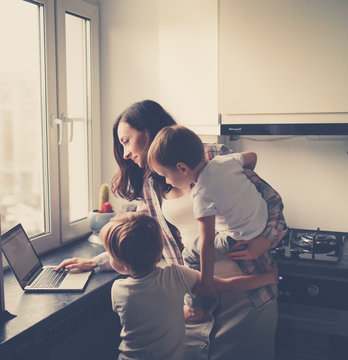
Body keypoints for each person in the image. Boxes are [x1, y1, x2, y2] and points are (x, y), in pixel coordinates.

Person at [57, 99, 287, 359]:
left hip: (248, 292)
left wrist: (265, 242)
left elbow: (271, 201)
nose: (124, 154)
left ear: (147, 131)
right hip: (195, 295)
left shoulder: (212, 158)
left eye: (126, 141)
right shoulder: (150, 186)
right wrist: (97, 262)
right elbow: (141, 240)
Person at [101, 212, 278, 360]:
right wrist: (270, 278)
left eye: (109, 254)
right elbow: (227, 285)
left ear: (124, 265)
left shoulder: (119, 290)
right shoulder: (176, 275)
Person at [147, 124, 277, 323]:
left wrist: (206, 282)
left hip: (236, 238)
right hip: (259, 223)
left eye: (165, 175)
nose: (168, 182)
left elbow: (207, 243)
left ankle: (196, 306)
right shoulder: (223, 162)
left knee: (190, 254)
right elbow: (252, 157)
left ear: (182, 168)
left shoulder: (201, 195)